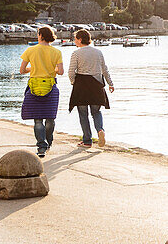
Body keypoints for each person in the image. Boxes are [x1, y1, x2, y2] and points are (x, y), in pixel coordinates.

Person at [19, 25, 64, 157]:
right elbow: (60, 72)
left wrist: (33, 68)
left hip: (34, 87)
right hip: (50, 87)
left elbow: (22, 70)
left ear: (41, 36)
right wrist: (51, 69)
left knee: (38, 120)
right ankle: (49, 142)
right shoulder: (56, 52)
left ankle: (41, 146)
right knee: (50, 118)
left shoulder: (30, 50)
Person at [67, 28, 114, 148]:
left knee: (83, 114)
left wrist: (73, 82)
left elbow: (71, 71)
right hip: (96, 86)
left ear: (80, 39)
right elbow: (104, 69)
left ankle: (87, 140)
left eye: (75, 39)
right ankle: (100, 130)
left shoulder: (76, 53)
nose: (74, 41)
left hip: (81, 86)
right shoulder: (98, 52)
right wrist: (110, 83)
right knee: (96, 112)